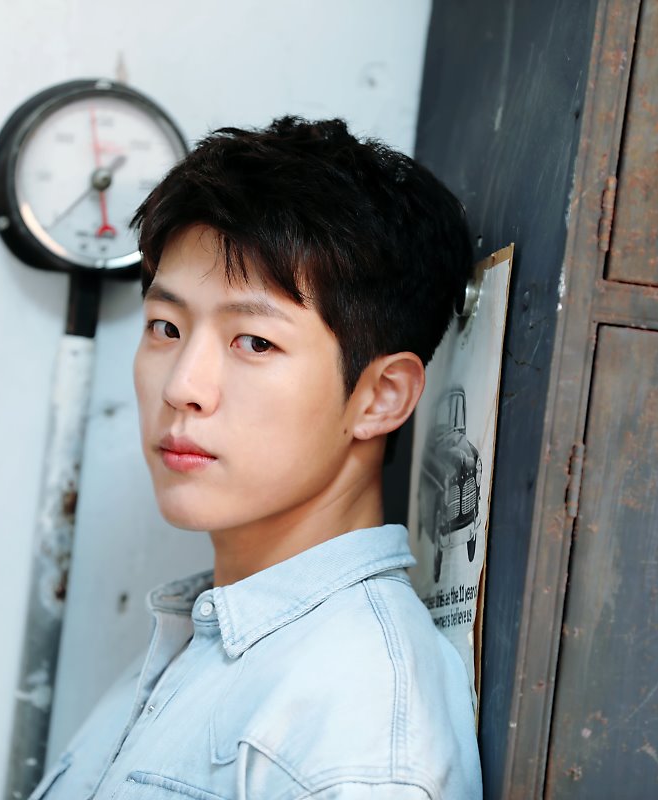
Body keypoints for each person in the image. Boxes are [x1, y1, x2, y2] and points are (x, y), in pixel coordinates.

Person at [30, 116, 482, 800]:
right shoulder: (197, 642)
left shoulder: (356, 731)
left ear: (380, 396)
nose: (183, 386)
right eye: (165, 327)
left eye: (255, 343)